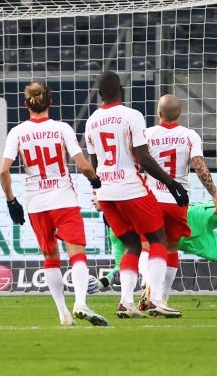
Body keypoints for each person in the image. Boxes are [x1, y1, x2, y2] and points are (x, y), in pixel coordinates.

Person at [0, 81, 108, 327]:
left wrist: (11, 201)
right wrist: (95, 180)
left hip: (35, 202)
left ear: (26, 104)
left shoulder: (17, 132)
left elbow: (3, 171)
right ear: (52, 103)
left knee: (50, 257)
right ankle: (80, 302)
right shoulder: (62, 128)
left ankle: (63, 314)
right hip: (63, 199)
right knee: (77, 254)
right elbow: (83, 164)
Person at [84, 71, 188, 319]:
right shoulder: (132, 116)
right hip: (131, 187)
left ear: (99, 94)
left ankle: (126, 302)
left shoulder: (91, 122)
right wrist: (172, 183)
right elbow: (144, 158)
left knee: (131, 243)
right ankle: (155, 300)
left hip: (107, 192)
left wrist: (100, 195)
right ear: (121, 90)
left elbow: (95, 164)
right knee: (159, 238)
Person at [136, 94, 217, 314]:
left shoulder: (147, 134)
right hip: (177, 200)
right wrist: (214, 195)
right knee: (172, 248)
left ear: (159, 113)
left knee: (146, 247)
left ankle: (149, 283)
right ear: (180, 113)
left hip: (151, 199)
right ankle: (162, 299)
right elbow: (198, 165)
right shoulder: (189, 135)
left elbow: (137, 166)